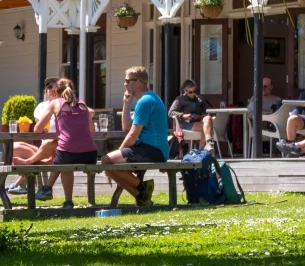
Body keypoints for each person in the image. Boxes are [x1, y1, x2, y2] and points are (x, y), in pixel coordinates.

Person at [102, 66, 168, 206]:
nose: (125, 83)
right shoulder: (146, 99)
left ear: (137, 82)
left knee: (107, 161)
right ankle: (140, 195)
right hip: (149, 148)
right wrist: (126, 103)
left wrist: (120, 150)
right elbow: (127, 127)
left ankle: (141, 188)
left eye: (127, 80)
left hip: (153, 150)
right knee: (108, 165)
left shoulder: (145, 101)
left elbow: (132, 135)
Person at [26, 78, 96, 209]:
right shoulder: (83, 105)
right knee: (62, 157)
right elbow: (92, 131)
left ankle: (59, 196)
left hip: (68, 154)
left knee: (63, 159)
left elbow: (37, 129)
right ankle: (48, 188)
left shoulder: (55, 103)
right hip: (90, 154)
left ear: (55, 92)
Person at [6, 78, 61, 197]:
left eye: (56, 86)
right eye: (49, 87)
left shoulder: (64, 105)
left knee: (45, 147)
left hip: (58, 149)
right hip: (44, 148)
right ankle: (22, 184)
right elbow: (39, 129)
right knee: (14, 147)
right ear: (45, 91)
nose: (52, 89)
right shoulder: (41, 106)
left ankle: (20, 184)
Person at [169, 79, 215, 152]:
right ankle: (202, 150)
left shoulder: (199, 98)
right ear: (185, 91)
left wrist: (203, 115)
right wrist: (183, 115)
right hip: (186, 123)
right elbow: (171, 112)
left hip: (198, 119)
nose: (193, 94)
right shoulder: (180, 99)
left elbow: (209, 110)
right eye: (190, 92)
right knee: (205, 127)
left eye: (194, 91)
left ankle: (209, 143)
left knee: (208, 118)